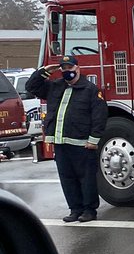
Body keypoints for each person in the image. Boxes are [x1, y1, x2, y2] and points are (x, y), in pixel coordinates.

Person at [26, 55, 108, 223]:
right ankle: (75, 209)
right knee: (67, 178)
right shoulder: (55, 87)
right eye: (63, 68)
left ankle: (89, 210)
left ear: (77, 69)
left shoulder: (91, 90)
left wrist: (93, 140)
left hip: (82, 144)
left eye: (69, 68)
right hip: (61, 142)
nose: (66, 71)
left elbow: (99, 116)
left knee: (86, 178)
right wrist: (44, 72)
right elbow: (31, 87)